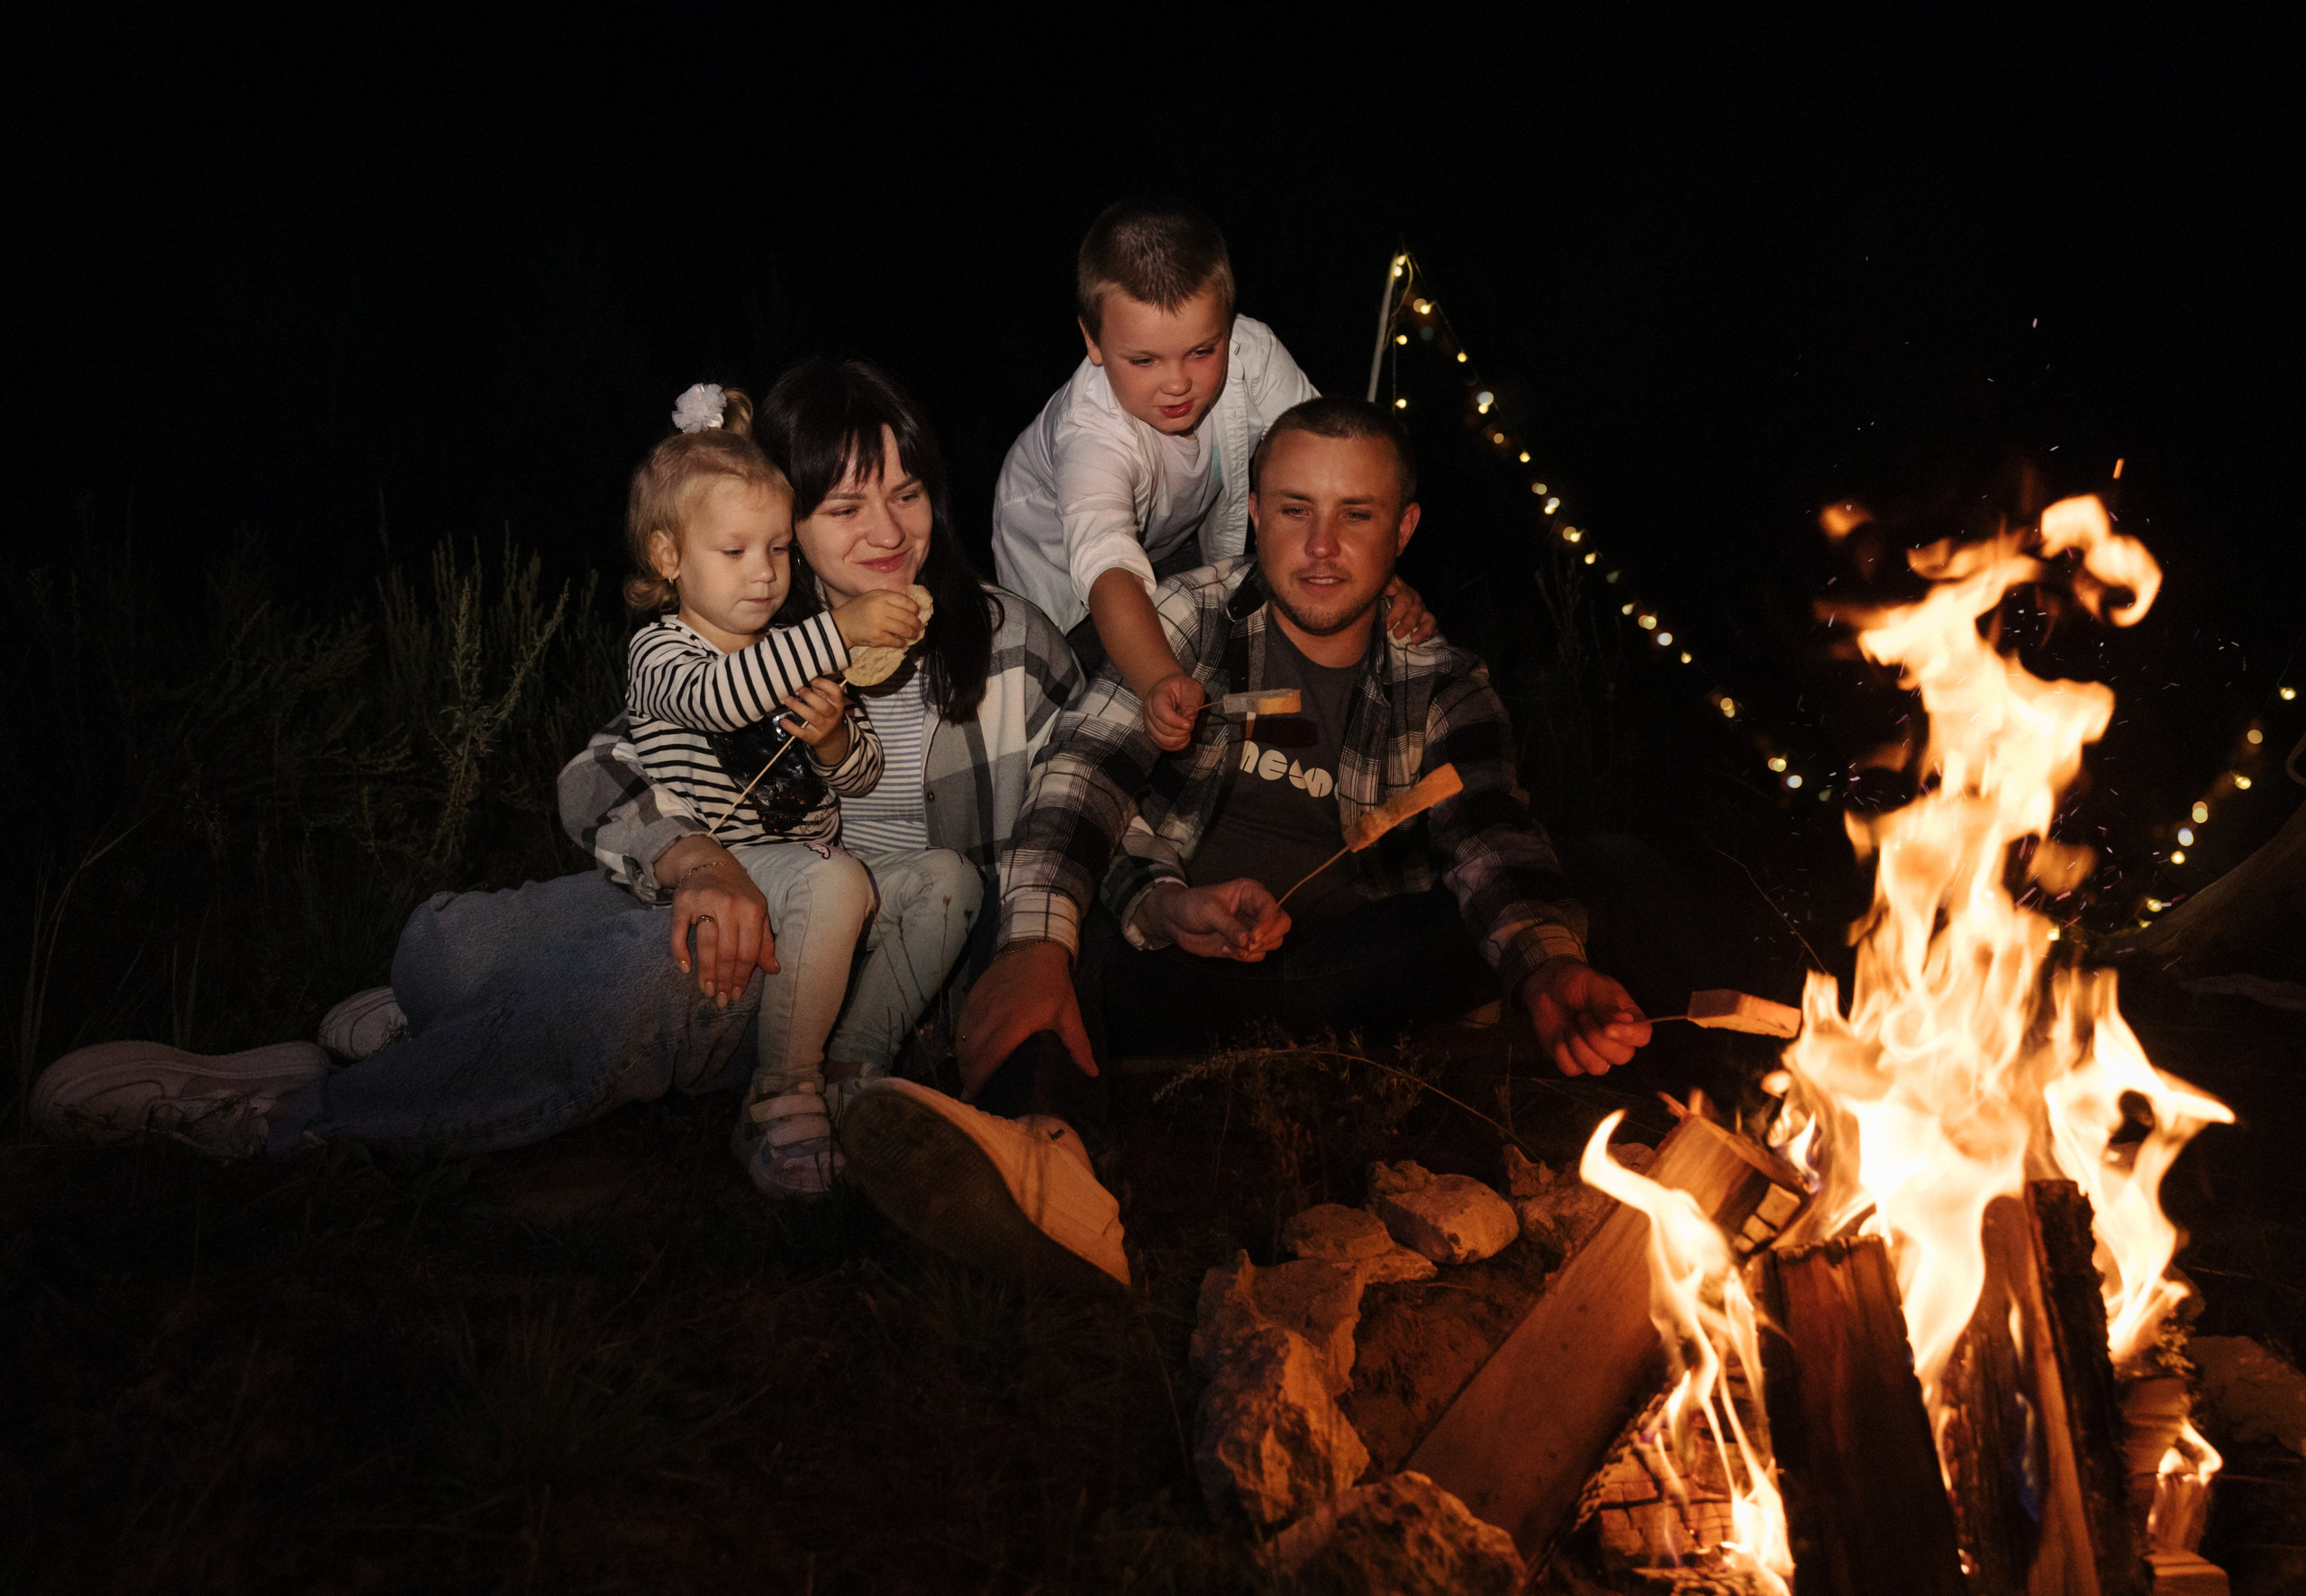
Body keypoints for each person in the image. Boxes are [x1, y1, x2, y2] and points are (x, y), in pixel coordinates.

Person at [32, 362, 1082, 1184]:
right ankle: (436, 1020)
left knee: (636, 977)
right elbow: (602, 766)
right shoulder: (765, 627)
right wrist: (690, 853)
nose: (890, 531)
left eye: (907, 493)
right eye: (846, 508)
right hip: (731, 886)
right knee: (444, 942)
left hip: (817, 958)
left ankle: (293, 1122)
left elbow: (1068, 823)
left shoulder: (1008, 645)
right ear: (790, 525)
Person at [839, 396, 1657, 1292]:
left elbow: (1489, 833)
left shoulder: (1443, 680)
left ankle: (1688, 1132)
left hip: (1352, 964)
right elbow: (1085, 773)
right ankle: (1042, 1160)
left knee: (1607, 868)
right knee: (1039, 903)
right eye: (1295, 509)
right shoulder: (1189, 618)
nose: (1321, 545)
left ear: (1404, 529)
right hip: (1178, 963)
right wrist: (1134, 910)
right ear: (1257, 514)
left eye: (1357, 514)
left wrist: (1541, 965)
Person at [991, 196, 1433, 754]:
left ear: (1228, 325)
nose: (1177, 384)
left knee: (1216, 662)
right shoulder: (1090, 434)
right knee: (1108, 709)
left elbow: (1330, 465)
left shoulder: (1254, 352)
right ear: (1093, 341)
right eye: (1145, 361)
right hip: (1067, 583)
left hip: (1169, 539)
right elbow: (1106, 567)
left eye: (1202, 350)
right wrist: (1156, 681)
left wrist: (1384, 581)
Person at [620, 382, 921, 1195]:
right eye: (735, 551)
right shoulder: (661, 653)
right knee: (834, 878)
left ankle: (853, 1067)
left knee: (947, 881)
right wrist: (840, 630)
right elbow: (723, 697)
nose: (765, 575)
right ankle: (778, 1094)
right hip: (737, 871)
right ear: (668, 557)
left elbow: (858, 776)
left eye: (779, 550)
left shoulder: (790, 645)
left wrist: (831, 740)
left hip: (808, 861)